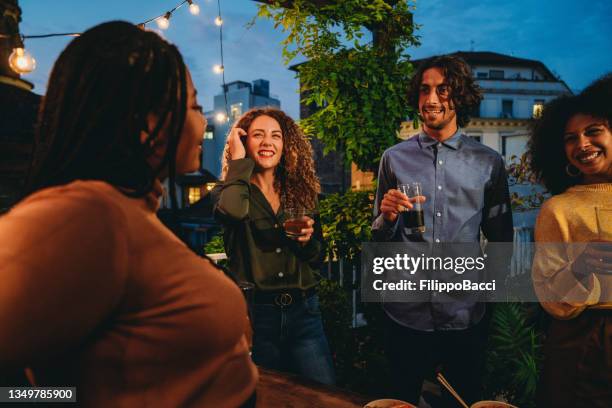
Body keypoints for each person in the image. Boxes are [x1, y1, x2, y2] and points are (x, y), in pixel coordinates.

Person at [0, 21, 257, 407]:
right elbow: (18, 392)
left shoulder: (135, 212)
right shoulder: (88, 215)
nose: (203, 122)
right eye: (194, 105)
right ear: (144, 122)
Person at [371, 55, 513, 405]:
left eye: (443, 89)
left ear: (459, 96)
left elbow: (501, 240)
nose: (431, 99)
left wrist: (485, 301)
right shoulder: (393, 158)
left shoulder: (488, 163)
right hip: (403, 312)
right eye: (424, 89)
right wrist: (386, 219)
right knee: (402, 400)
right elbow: (379, 237)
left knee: (460, 401)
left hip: (465, 317)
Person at [213, 107, 336, 385]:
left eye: (276, 136)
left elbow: (318, 255)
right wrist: (238, 161)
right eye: (258, 135)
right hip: (257, 318)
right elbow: (233, 212)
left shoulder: (302, 192)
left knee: (323, 396)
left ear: (285, 145)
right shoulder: (228, 190)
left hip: (305, 314)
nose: (268, 142)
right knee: (267, 399)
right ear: (244, 142)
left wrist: (306, 243)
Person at [529, 73, 612, 407]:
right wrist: (580, 266)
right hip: (588, 343)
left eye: (593, 131)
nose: (582, 144)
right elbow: (549, 295)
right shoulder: (558, 209)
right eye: (570, 138)